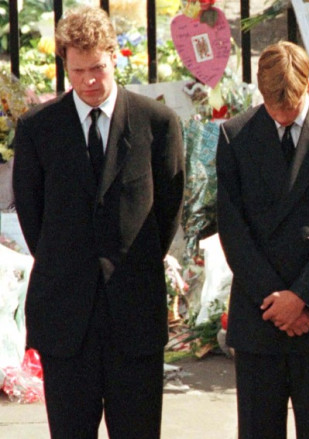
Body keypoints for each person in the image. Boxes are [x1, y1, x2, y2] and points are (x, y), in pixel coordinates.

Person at [11, 6, 184, 439]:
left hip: (134, 313)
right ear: (65, 66)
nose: (89, 80)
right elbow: (34, 218)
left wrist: (130, 261)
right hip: (66, 317)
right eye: (78, 70)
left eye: (98, 68)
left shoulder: (157, 123)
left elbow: (168, 208)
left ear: (115, 58)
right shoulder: (38, 129)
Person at [216, 41, 309, 439]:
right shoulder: (236, 136)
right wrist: (275, 300)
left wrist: (300, 298)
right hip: (260, 311)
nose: (282, 114)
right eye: (272, 104)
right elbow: (232, 227)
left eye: (292, 104)